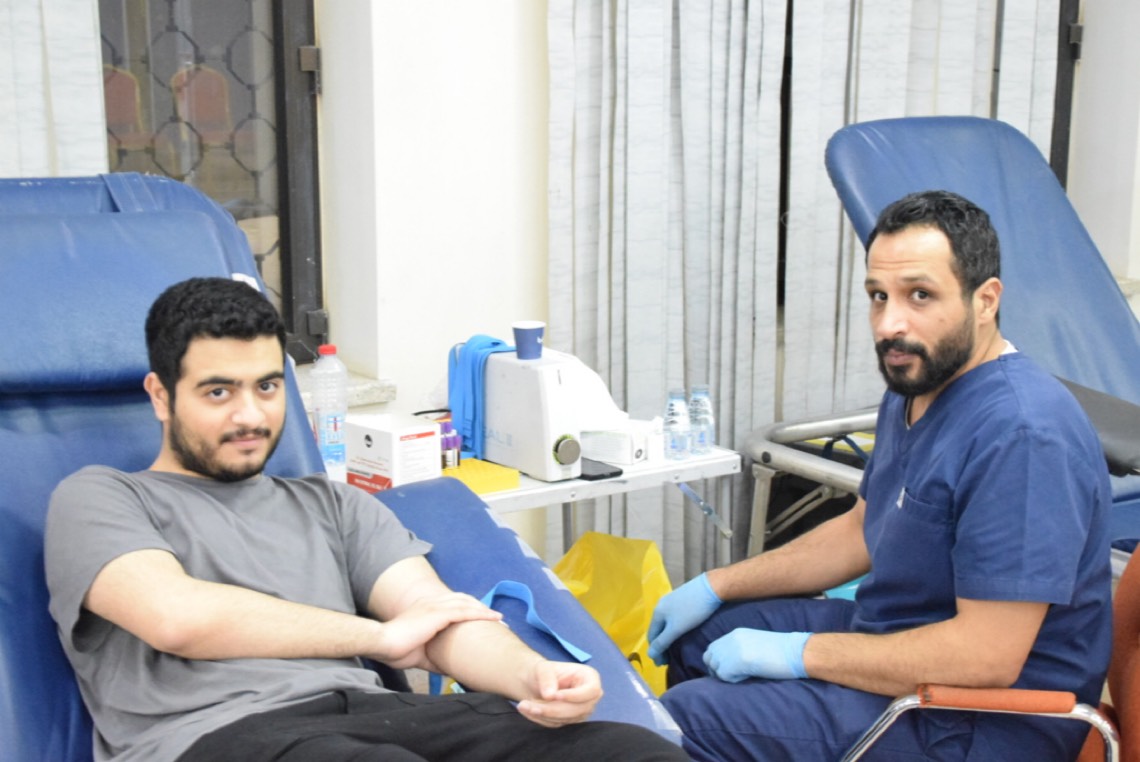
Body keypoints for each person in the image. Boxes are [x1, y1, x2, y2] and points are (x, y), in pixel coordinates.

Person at [45, 277, 688, 762]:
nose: (250, 416)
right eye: (219, 391)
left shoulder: (332, 505)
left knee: (632, 752)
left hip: (381, 718)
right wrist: (378, 637)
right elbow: (178, 619)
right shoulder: (101, 498)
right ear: (161, 396)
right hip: (219, 735)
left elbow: (434, 619)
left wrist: (534, 677)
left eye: (267, 387)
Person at [647, 190, 1113, 760]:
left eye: (920, 295)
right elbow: (860, 531)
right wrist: (715, 585)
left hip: (978, 722)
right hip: (902, 638)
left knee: (688, 720)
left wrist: (800, 654)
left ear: (985, 300)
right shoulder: (918, 385)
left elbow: (985, 656)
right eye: (878, 296)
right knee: (697, 640)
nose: (891, 324)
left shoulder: (1022, 435)